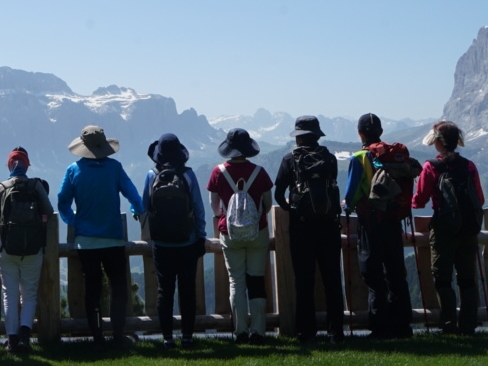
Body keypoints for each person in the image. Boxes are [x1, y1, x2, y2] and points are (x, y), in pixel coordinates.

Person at [57, 124, 144, 348]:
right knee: (118, 287)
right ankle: (117, 334)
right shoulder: (114, 168)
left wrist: (72, 219)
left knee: (93, 289)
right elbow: (133, 195)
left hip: (86, 241)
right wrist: (137, 211)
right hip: (113, 237)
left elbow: (62, 200)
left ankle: (97, 337)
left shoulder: (73, 170)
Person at [344, 113, 420, 339]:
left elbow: (352, 195)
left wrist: (346, 205)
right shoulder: (395, 155)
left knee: (373, 274)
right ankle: (403, 326)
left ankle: (379, 327)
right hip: (394, 220)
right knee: (396, 272)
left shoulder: (359, 157)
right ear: (381, 131)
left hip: (371, 223)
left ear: (360, 133)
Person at [272, 115, 346, 345]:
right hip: (329, 226)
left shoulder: (289, 159)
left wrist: (291, 208)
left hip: (302, 226)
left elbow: (278, 194)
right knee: (332, 279)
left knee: (304, 280)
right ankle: (336, 333)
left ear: (298, 137)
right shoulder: (330, 158)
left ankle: (307, 333)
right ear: (317, 135)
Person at [414, 121, 486, 335]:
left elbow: (420, 200)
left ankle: (448, 324)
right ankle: (469, 324)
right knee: (467, 278)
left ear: (438, 142)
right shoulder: (469, 166)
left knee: (443, 279)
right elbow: (479, 199)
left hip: (444, 230)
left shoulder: (431, 167)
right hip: (468, 228)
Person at [141, 133, 208, 349]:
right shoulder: (188, 175)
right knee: (187, 290)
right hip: (187, 242)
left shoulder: (151, 176)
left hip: (161, 243)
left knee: (165, 291)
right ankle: (187, 337)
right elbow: (198, 207)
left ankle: (167, 339)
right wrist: (200, 236)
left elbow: (145, 207)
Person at [207, 127, 274, 344]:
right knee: (256, 279)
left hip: (230, 233)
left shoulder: (218, 172)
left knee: (236, 282)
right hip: (258, 232)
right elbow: (267, 205)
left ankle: (241, 331)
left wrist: (226, 216)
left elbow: (214, 207)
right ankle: (259, 331)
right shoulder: (260, 172)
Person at [0, 147, 52, 353]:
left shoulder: (1, 188)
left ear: (9, 165)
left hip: (7, 249)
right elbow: (49, 211)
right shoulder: (36, 186)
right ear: (27, 165)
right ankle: (25, 337)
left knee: (10, 294)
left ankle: (12, 340)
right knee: (29, 295)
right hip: (32, 249)